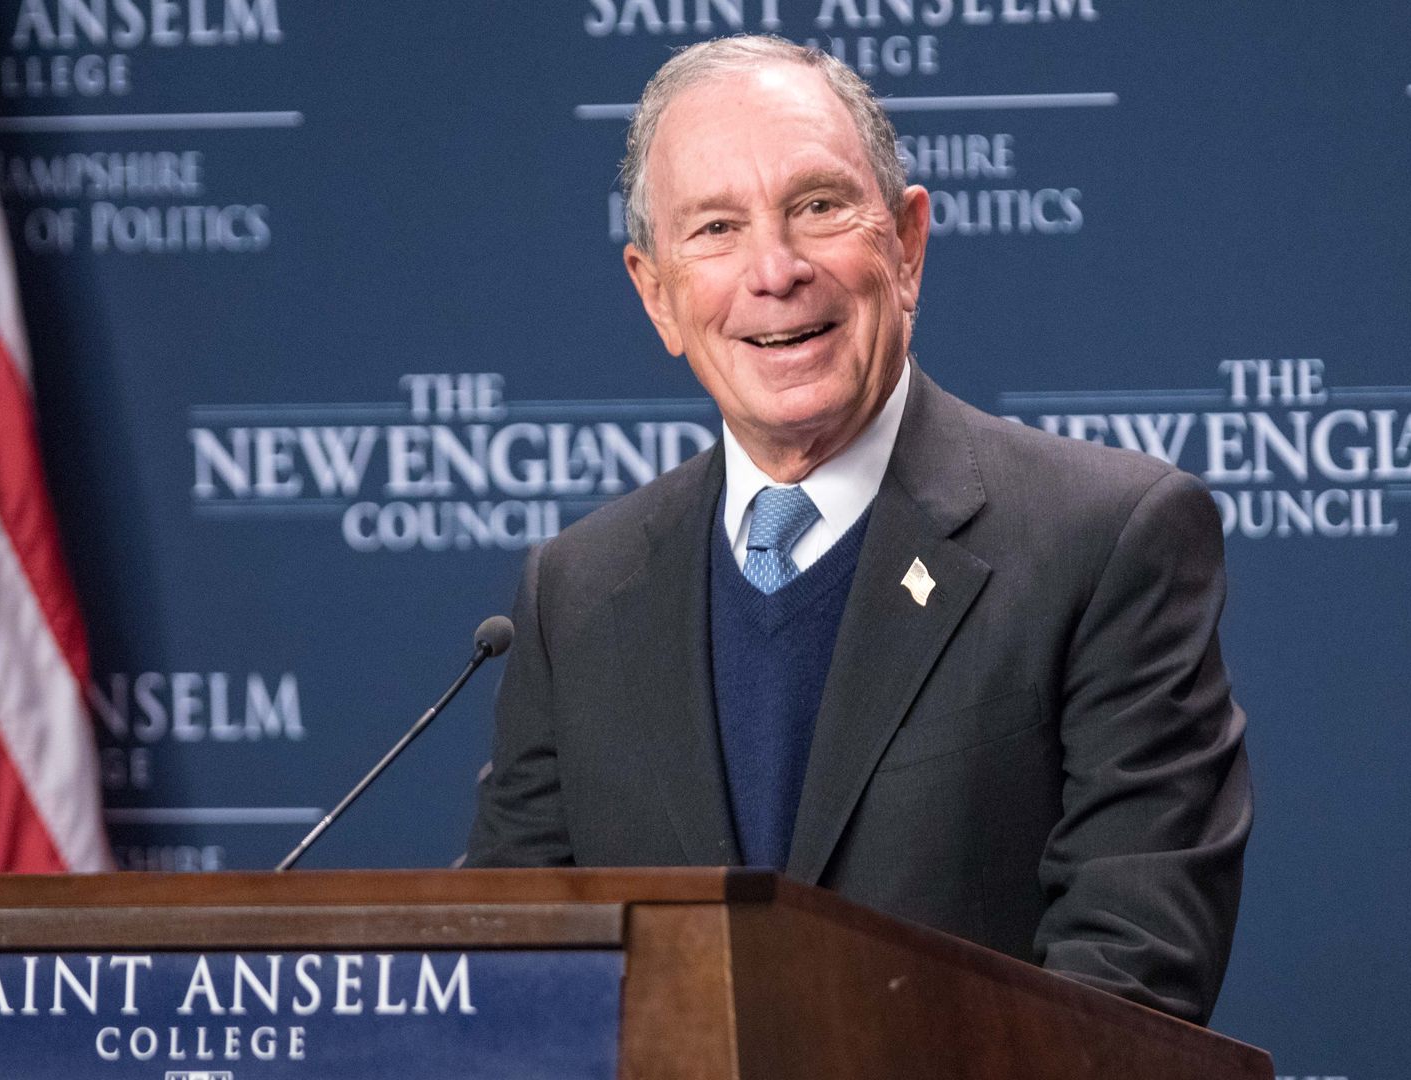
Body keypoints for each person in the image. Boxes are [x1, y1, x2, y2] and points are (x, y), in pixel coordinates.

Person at [466, 35, 1251, 1025]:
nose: (775, 270)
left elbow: (1129, 984)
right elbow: (503, 975)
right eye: (715, 228)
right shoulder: (575, 590)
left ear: (907, 243)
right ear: (656, 293)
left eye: (819, 206)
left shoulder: (1105, 542)